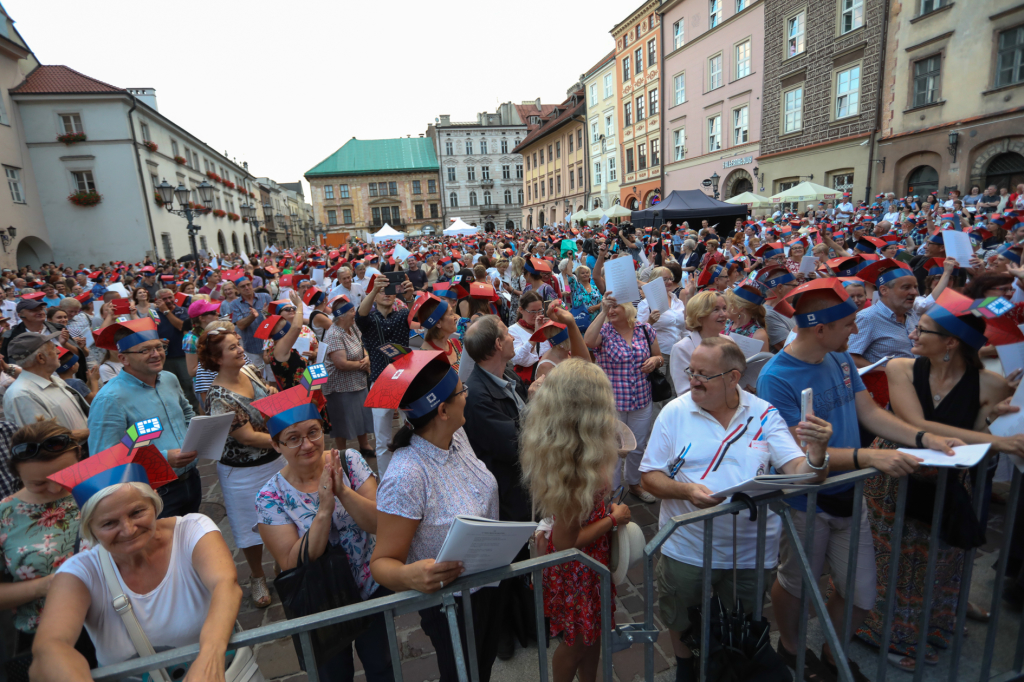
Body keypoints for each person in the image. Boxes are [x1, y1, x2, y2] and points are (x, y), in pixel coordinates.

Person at [757, 278, 963, 681]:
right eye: (849, 324)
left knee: (862, 596)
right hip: (806, 502)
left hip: (851, 495)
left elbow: (869, 412)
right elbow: (795, 457)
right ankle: (792, 647)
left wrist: (925, 437)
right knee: (797, 585)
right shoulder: (775, 377)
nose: (857, 330)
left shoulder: (840, 359)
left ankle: (833, 650)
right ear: (820, 329)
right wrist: (870, 456)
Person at [641, 337, 832, 682]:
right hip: (688, 546)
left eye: (704, 374)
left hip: (750, 552)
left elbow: (802, 474)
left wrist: (817, 454)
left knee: (740, 620)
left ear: (733, 377)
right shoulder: (675, 411)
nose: (693, 380)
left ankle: (727, 669)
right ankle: (686, 670)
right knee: (681, 618)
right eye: (692, 371)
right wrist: (685, 490)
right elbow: (649, 477)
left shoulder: (764, 413)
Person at [856, 290, 1024, 670]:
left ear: (950, 342)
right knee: (889, 563)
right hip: (894, 480)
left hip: (947, 486)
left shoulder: (992, 386)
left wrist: (997, 419)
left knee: (937, 562)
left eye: (923, 329)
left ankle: (929, 626)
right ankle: (885, 635)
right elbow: (915, 425)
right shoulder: (900, 368)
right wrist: (998, 437)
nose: (912, 333)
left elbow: (983, 449)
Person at [31, 432, 242, 682]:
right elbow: (50, 646)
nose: (128, 530)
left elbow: (225, 585)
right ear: (91, 530)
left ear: (154, 504)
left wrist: (209, 657)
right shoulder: (81, 571)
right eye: (109, 523)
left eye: (137, 512)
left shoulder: (192, 530)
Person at [370, 349, 502, 682]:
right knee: (462, 675)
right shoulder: (407, 476)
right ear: (442, 410)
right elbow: (382, 562)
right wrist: (409, 577)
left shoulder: (456, 434)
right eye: (462, 391)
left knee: (481, 669)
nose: (468, 394)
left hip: (487, 584)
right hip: (451, 604)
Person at [255, 383, 393, 682]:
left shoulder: (349, 461)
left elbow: (381, 523)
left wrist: (343, 491)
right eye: (293, 438)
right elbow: (292, 561)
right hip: (320, 602)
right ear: (276, 445)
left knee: (383, 666)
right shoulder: (270, 497)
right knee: (333, 675)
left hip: (369, 587)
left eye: (313, 432)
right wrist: (324, 509)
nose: (307, 444)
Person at [520, 359, 631, 682]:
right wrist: (613, 519)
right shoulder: (577, 466)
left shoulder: (576, 447)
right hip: (579, 570)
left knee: (592, 636)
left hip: (588, 565)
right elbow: (566, 541)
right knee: (578, 642)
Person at [0, 420, 96, 675]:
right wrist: (46, 585)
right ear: (16, 474)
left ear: (78, 456)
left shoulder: (101, 491)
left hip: (118, 621)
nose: (54, 489)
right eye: (39, 483)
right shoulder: (4, 516)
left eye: (65, 476)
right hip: (48, 636)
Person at [199, 328, 282, 608]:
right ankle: (257, 576)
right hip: (243, 473)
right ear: (217, 359)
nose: (240, 350)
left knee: (282, 514)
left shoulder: (249, 370)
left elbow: (266, 396)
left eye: (238, 344)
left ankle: (283, 562)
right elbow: (245, 436)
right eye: (232, 348)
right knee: (250, 526)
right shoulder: (218, 397)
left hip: (275, 460)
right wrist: (283, 441)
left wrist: (269, 391)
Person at [87, 318, 200, 518]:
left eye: (159, 347)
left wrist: (203, 434)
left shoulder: (169, 379)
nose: (156, 354)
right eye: (145, 350)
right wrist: (165, 458)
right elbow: (104, 457)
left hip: (191, 480)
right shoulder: (110, 399)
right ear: (123, 359)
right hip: (153, 492)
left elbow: (187, 414)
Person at [583, 291, 662, 503]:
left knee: (638, 446)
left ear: (627, 308)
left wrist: (655, 361)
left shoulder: (644, 329)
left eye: (615, 306)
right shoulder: (604, 332)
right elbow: (588, 341)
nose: (611, 310)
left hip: (641, 400)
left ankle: (634, 484)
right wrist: (601, 312)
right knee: (614, 450)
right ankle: (613, 492)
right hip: (613, 403)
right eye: (608, 307)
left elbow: (659, 355)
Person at [355, 271, 415, 476]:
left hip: (405, 380)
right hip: (381, 381)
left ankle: (410, 473)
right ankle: (385, 479)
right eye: (382, 291)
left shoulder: (402, 315)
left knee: (412, 430)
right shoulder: (369, 319)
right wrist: (373, 290)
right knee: (381, 439)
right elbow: (359, 315)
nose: (386, 294)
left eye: (389, 290)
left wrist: (409, 297)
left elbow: (418, 318)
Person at [3, 332, 89, 439]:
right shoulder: (22, 395)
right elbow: (46, 438)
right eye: (53, 348)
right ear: (41, 358)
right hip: (72, 453)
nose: (58, 351)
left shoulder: (54, 379)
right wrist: (92, 432)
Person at [323, 296, 374, 457]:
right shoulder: (334, 334)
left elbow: (362, 344)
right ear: (342, 315)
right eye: (352, 311)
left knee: (362, 415)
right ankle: (341, 452)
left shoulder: (353, 327)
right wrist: (364, 364)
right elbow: (341, 364)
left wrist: (366, 358)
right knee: (342, 420)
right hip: (339, 386)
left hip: (357, 380)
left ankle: (364, 445)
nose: (355, 314)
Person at [848, 259, 920, 368]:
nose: (914, 292)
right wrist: (888, 373)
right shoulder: (867, 318)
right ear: (884, 290)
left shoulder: (914, 313)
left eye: (915, 287)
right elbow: (850, 357)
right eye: (906, 287)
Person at [669, 291, 728, 395]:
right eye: (716, 310)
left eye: (724, 308)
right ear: (700, 316)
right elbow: (685, 392)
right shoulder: (682, 348)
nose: (723, 314)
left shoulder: (729, 341)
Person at [225, 276, 272, 370]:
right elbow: (240, 325)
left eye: (248, 284)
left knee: (273, 376)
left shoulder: (265, 297)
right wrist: (252, 316)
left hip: (269, 345)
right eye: (243, 286)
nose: (247, 288)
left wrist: (265, 314)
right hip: (251, 347)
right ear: (237, 289)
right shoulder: (234, 304)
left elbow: (274, 319)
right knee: (257, 377)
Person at [508, 291, 551, 385]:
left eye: (540, 310)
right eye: (532, 311)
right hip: (529, 383)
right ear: (521, 310)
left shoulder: (547, 326)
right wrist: (536, 334)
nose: (536, 315)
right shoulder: (512, 330)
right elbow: (520, 359)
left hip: (550, 379)